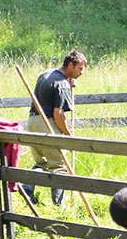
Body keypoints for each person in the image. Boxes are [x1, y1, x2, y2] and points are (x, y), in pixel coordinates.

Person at [20, 49, 87, 206]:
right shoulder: (62, 84)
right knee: (58, 167)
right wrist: (67, 134)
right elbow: (58, 114)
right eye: (80, 69)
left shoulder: (46, 75)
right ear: (70, 65)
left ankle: (27, 188)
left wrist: (69, 84)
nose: (81, 73)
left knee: (41, 163)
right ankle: (59, 206)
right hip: (47, 124)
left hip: (32, 122)